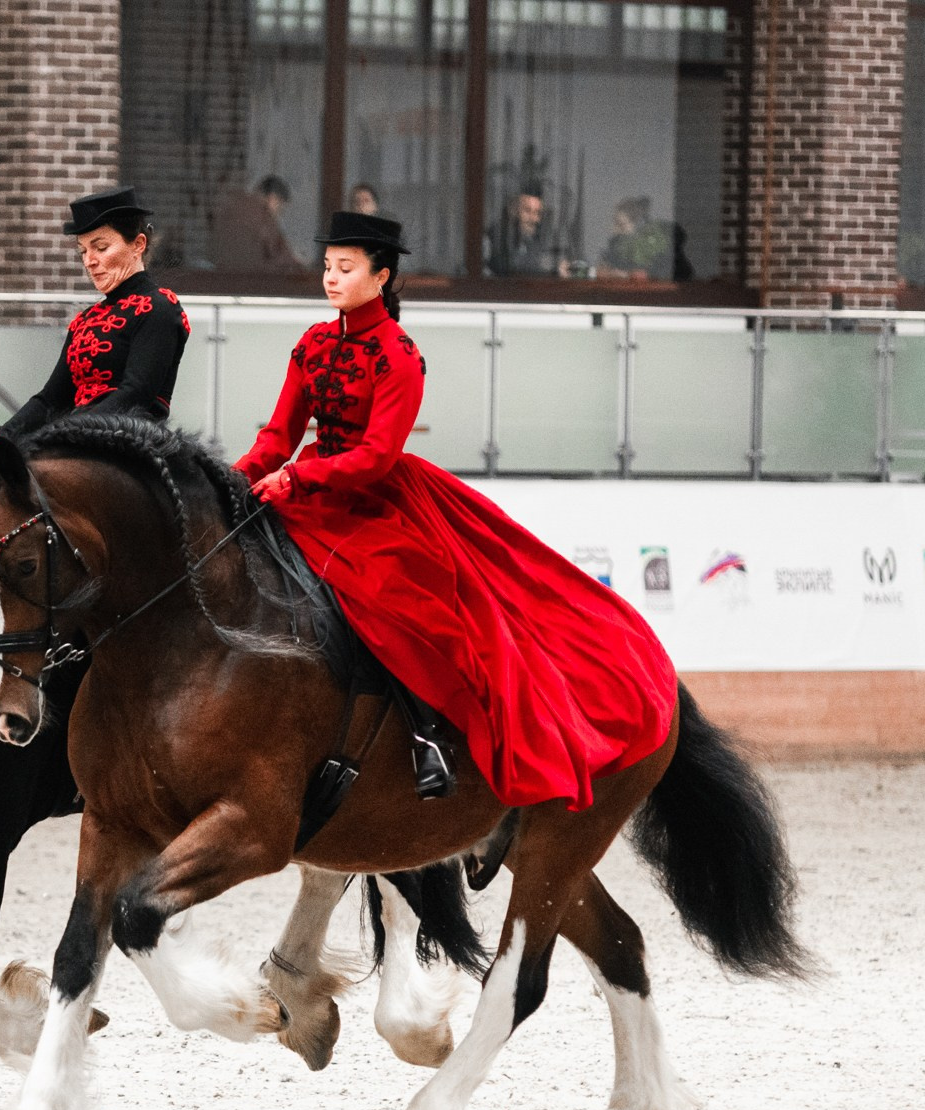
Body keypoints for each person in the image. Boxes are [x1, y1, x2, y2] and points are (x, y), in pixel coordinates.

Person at [236, 211, 676, 808]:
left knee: (407, 600)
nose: (331, 278)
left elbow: (375, 457)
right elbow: (277, 435)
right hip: (310, 490)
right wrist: (238, 477)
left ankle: (427, 732)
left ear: (381, 275)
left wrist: (298, 479)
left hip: (375, 499)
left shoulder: (400, 356)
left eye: (345, 268)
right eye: (327, 267)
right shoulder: (312, 343)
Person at [0, 186, 190, 446]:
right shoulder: (85, 320)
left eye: (100, 247)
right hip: (78, 440)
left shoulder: (159, 307)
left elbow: (136, 394)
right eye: (83, 251)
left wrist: (62, 433)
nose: (89, 261)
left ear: (138, 244)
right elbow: (51, 398)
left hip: (134, 447)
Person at [209, 174, 302, 272]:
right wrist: (298, 267)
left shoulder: (232, 207)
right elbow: (279, 253)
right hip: (253, 278)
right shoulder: (263, 215)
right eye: (280, 206)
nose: (279, 212)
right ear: (273, 198)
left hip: (221, 275)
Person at [595, 196, 692, 283]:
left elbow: (665, 274)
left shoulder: (658, 243)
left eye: (621, 225)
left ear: (637, 224)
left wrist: (629, 275)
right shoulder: (616, 245)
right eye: (615, 222)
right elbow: (604, 270)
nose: (614, 229)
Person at [486, 183, 563, 278]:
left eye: (537, 213)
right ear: (513, 210)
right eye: (527, 211)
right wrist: (551, 265)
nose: (534, 219)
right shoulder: (498, 234)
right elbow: (510, 264)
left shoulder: (534, 236)